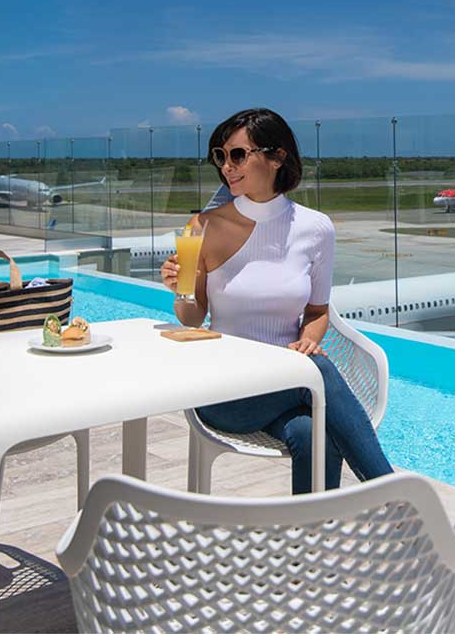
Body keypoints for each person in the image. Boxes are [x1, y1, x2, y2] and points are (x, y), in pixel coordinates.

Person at [160, 107, 394, 495]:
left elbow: (318, 312)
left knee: (312, 432)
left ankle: (307, 547)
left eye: (238, 155)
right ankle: (403, 505)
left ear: (277, 156)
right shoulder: (202, 226)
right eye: (220, 156)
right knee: (318, 373)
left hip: (287, 382)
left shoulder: (316, 229)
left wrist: (309, 338)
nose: (227, 167)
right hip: (224, 389)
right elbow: (191, 317)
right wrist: (181, 287)